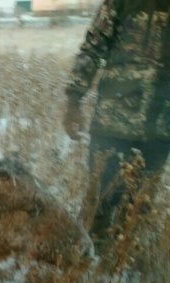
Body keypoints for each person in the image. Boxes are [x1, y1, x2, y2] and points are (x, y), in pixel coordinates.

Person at [63, 0, 170, 250]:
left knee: (138, 207)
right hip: (113, 123)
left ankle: (119, 270)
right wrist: (73, 100)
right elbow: (93, 47)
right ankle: (86, 267)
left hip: (160, 128)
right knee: (100, 200)